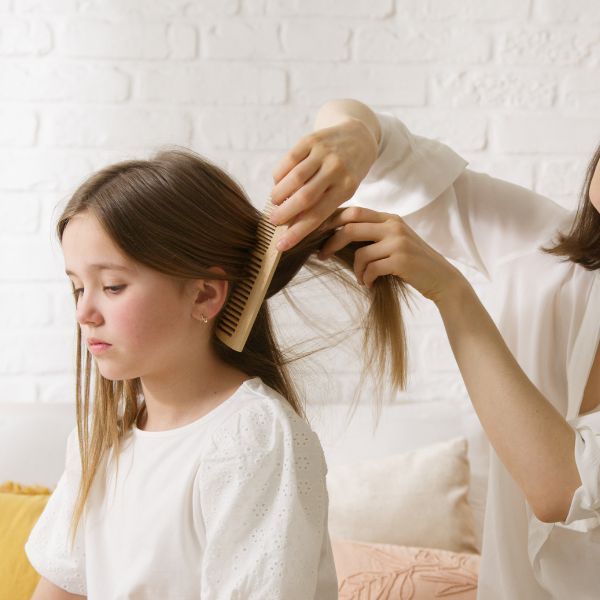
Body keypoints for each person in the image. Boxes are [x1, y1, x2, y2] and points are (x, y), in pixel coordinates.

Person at [24, 147, 408, 599]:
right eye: (77, 286)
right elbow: (60, 588)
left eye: (112, 286)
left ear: (205, 295)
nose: (84, 311)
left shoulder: (251, 438)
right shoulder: (102, 438)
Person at [268, 99, 600, 599]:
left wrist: (451, 292)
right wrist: (355, 137)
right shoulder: (546, 252)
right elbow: (388, 154)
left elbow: (564, 489)